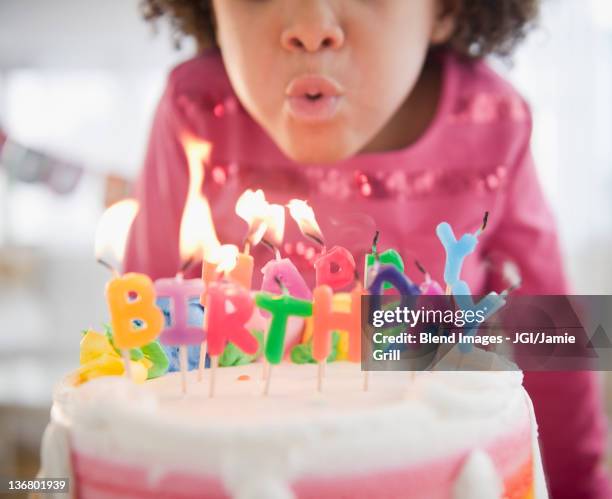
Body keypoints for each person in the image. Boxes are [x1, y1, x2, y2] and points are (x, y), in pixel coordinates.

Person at [126, 1, 610, 497]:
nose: (311, 28)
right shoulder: (196, 111)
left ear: (447, 10)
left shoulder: (493, 120)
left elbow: (555, 338)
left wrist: (582, 486)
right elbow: (143, 333)